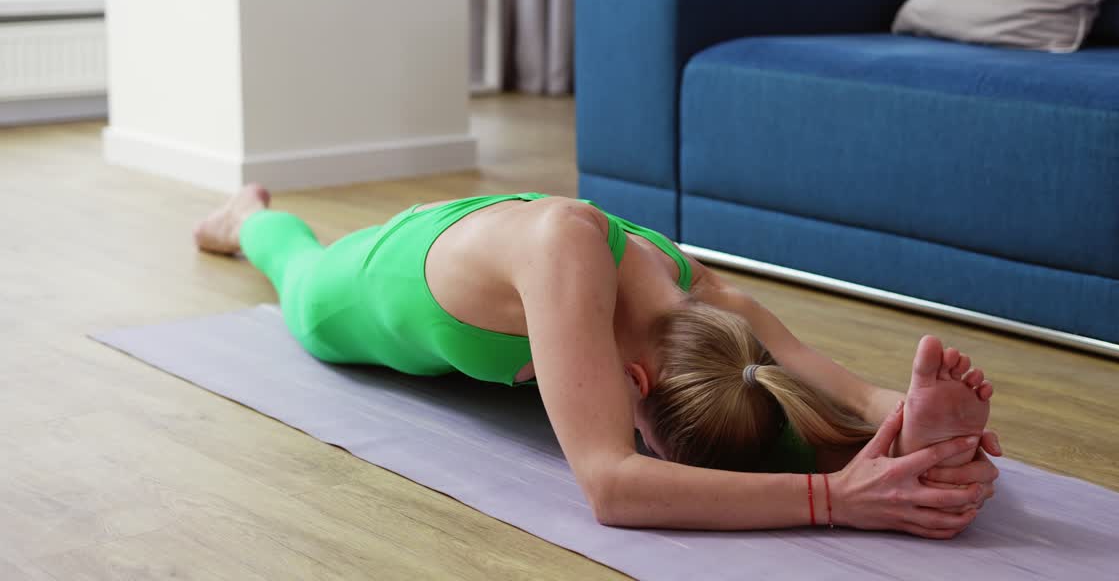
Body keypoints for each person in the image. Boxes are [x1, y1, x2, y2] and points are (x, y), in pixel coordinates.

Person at [195, 186, 1002, 537]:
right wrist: (838, 499)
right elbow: (612, 484)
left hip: (504, 260)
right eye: (650, 427)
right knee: (298, 278)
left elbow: (837, 387)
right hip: (373, 282)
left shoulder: (713, 303)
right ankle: (249, 215)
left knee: (750, 425)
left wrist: (912, 424)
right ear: (636, 386)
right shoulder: (562, 256)